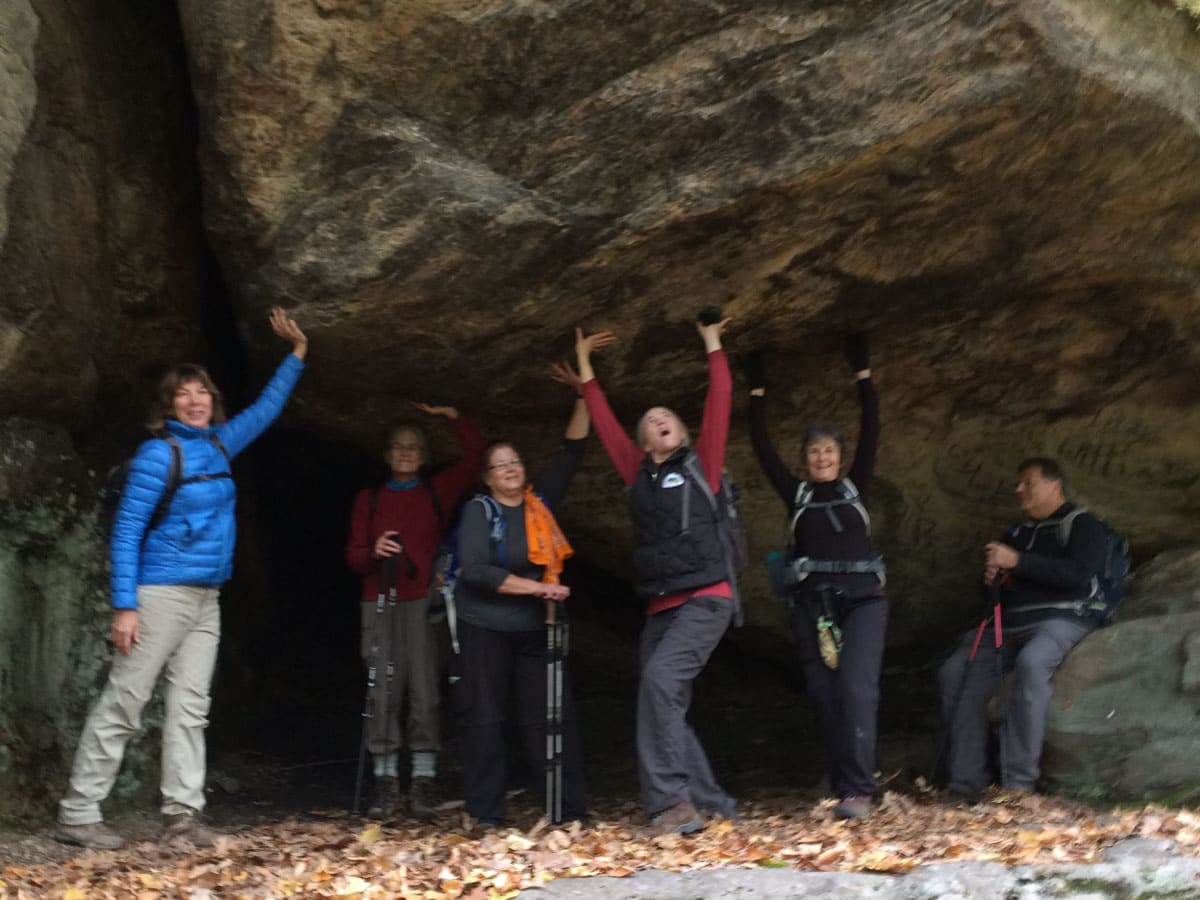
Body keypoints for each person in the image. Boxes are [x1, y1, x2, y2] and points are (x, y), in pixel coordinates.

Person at [55, 307, 308, 849]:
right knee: (125, 700)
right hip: (159, 594)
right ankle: (79, 812)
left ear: (213, 401)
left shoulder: (219, 445)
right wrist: (126, 606)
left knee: (191, 709)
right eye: (184, 394)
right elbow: (125, 534)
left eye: (203, 392)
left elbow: (265, 411)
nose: (196, 401)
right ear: (169, 405)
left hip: (206, 599)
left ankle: (182, 816)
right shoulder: (157, 456)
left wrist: (297, 356)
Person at [576, 320, 737, 838]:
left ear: (683, 432)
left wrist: (712, 343)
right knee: (661, 698)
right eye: (651, 419)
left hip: (707, 598)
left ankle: (673, 805)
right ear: (643, 441)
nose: (660, 420)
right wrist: (585, 369)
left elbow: (720, 399)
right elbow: (603, 423)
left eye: (668, 416)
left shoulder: (702, 464)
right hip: (660, 607)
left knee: (660, 683)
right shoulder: (636, 472)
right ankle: (710, 802)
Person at [746, 332, 887, 820]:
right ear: (805, 459)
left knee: (855, 687)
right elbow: (761, 447)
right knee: (826, 696)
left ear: (840, 456)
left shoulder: (855, 487)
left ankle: (859, 790)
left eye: (829, 451)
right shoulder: (797, 496)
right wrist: (757, 391)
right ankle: (844, 776)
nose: (822, 459)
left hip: (864, 601)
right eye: (814, 453)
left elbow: (871, 430)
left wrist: (863, 376)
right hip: (814, 607)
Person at [453, 362, 592, 827]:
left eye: (515, 462)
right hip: (485, 628)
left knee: (551, 719)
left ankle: (567, 811)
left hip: (538, 628)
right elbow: (474, 570)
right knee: (486, 721)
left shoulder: (539, 504)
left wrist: (583, 394)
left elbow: (573, 450)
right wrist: (538, 587)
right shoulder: (479, 511)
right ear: (487, 477)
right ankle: (486, 815)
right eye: (500, 465)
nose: (510, 469)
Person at [938, 458, 1105, 802]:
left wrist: (1017, 562)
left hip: (1061, 619)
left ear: (1054, 486)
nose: (1019, 490)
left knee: (1032, 663)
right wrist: (991, 581)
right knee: (954, 672)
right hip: (1007, 623)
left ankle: (1018, 786)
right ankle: (966, 782)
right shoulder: (1017, 534)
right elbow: (997, 590)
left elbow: (1079, 575)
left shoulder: (1083, 525)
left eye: (1028, 483)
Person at [344, 405, 484, 818]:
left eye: (414, 448)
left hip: (423, 601)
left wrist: (454, 416)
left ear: (423, 457)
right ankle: (386, 781)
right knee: (382, 690)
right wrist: (373, 552)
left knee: (424, 690)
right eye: (398, 448)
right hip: (379, 599)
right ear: (387, 455)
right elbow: (352, 558)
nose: (405, 454)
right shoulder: (368, 500)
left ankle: (423, 780)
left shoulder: (435, 492)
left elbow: (475, 455)